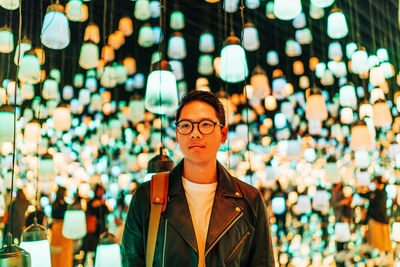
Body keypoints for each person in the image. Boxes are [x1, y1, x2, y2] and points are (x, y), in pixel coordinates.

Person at [122, 90, 275, 266]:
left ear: (223, 134)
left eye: (205, 124)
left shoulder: (249, 200)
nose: (195, 133)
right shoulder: (147, 196)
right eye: (186, 125)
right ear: (178, 135)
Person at [358, 175, 393, 263]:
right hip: (378, 220)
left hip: (379, 221)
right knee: (378, 243)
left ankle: (383, 259)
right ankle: (381, 259)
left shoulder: (380, 193)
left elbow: (374, 203)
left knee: (380, 242)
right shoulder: (376, 193)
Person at [50, 186, 73, 267]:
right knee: (62, 250)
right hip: (61, 228)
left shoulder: (56, 204)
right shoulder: (61, 205)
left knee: (63, 251)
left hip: (59, 227)